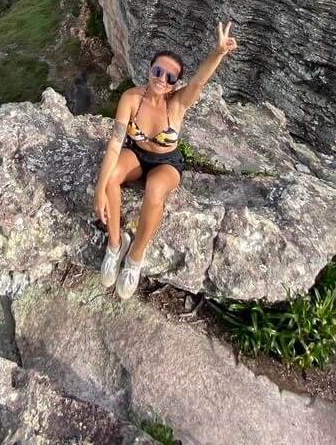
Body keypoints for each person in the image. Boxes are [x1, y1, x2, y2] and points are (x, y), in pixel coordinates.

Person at [93, 22, 238, 300]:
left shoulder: (178, 103)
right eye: (158, 71)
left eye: (170, 77)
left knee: (155, 190)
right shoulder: (131, 98)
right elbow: (114, 143)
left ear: (176, 83)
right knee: (111, 177)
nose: (162, 79)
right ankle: (115, 244)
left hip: (166, 162)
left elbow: (199, 82)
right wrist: (100, 189)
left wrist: (218, 53)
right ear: (149, 70)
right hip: (135, 153)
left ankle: (135, 257)